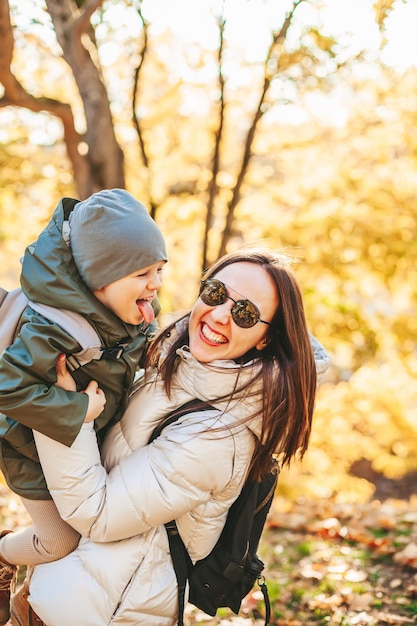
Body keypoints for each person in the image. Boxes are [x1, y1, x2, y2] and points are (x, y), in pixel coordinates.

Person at [25, 248, 328, 626]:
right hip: (66, 590)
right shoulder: (176, 364)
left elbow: (97, 514)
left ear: (266, 339)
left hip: (94, 612)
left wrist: (65, 413)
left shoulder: (219, 436)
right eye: (216, 293)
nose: (219, 315)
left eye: (245, 313)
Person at [0, 188, 168, 624]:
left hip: (76, 447)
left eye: (159, 270)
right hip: (27, 448)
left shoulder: (130, 314)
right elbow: (6, 388)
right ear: (100, 280)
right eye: (142, 273)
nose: (155, 284)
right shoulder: (55, 327)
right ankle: (2, 557)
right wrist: (79, 411)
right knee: (61, 542)